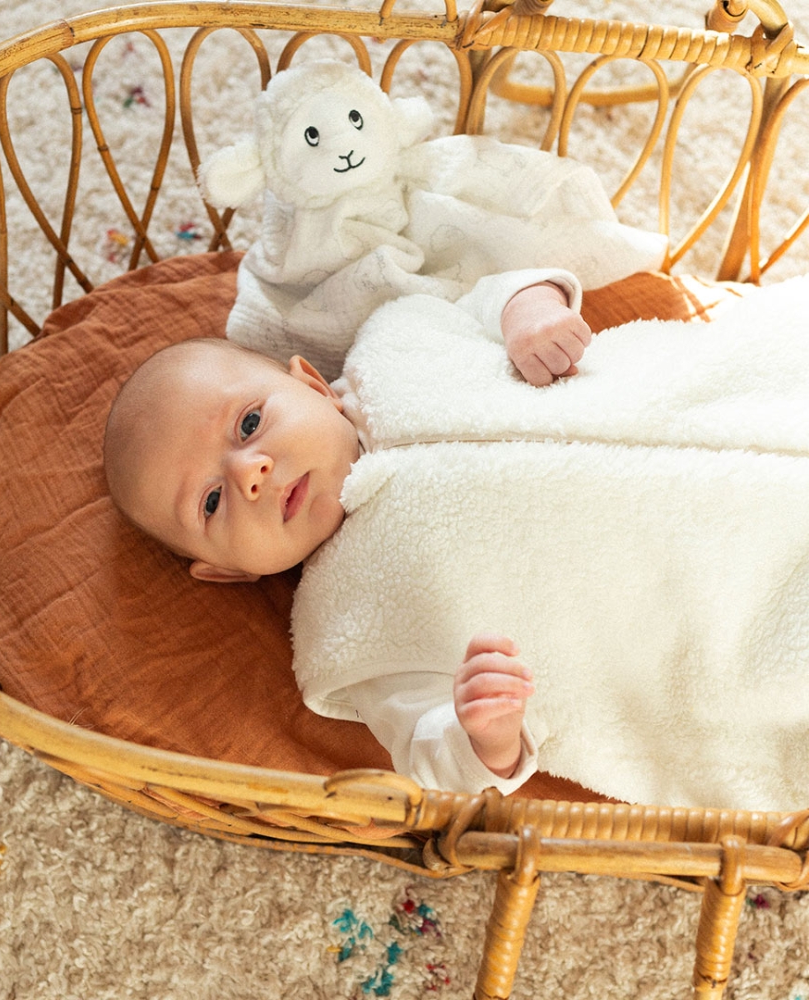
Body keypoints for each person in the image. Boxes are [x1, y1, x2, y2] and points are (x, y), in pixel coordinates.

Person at [104, 275, 809, 810]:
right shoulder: (346, 632)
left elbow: (487, 287)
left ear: (311, 382)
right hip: (722, 590)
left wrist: (529, 311)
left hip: (723, 394)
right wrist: (485, 739)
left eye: (250, 422)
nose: (250, 473)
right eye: (212, 500)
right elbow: (426, 753)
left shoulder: (398, 339)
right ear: (224, 572)